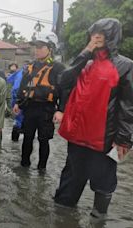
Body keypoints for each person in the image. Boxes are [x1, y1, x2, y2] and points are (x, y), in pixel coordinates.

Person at [53, 18, 133, 218]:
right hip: (77, 134)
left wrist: (124, 139)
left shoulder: (125, 65)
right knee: (71, 179)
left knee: (103, 182)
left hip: (104, 138)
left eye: (102, 33)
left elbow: (128, 106)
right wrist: (85, 53)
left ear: (112, 36)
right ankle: (62, 215)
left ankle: (98, 218)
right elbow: (63, 81)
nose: (96, 36)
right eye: (94, 32)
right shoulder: (84, 62)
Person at [13, 32, 65, 171]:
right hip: (30, 107)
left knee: (44, 140)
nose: (37, 49)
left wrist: (61, 110)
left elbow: (64, 91)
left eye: (41, 47)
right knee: (27, 138)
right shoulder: (30, 66)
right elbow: (23, 86)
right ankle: (24, 167)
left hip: (46, 109)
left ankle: (42, 170)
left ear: (50, 49)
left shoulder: (58, 68)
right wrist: (18, 102)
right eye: (36, 46)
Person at [6, 63, 24, 142]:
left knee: (18, 120)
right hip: (19, 101)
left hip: (17, 100)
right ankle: (15, 139)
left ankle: (15, 140)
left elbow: (9, 80)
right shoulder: (20, 74)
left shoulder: (19, 73)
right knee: (19, 120)